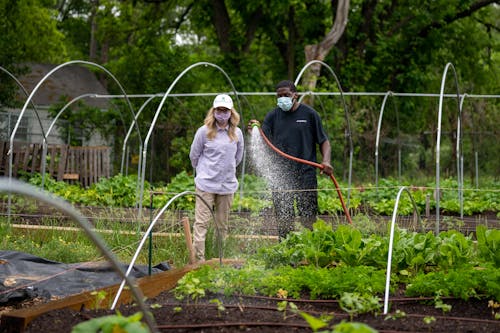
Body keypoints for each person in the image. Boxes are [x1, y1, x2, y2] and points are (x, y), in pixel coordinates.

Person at [249, 80, 332, 240]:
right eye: (279, 96)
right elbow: (264, 140)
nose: (283, 99)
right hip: (281, 175)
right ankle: (286, 251)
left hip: (306, 173)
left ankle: (310, 251)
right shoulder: (273, 116)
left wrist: (326, 161)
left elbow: (324, 141)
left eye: (286, 95)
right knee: (284, 217)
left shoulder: (309, 114)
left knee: (308, 216)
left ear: (295, 95)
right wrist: (255, 131)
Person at [189, 94, 244, 262]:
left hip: (227, 186)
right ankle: (199, 261)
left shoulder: (237, 133)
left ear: (231, 112)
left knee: (222, 225)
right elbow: (194, 155)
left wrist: (225, 171)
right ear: (213, 111)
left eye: (225, 110)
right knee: (201, 223)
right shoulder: (203, 132)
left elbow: (238, 157)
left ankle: (219, 259)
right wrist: (204, 171)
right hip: (206, 185)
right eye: (219, 110)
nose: (222, 113)